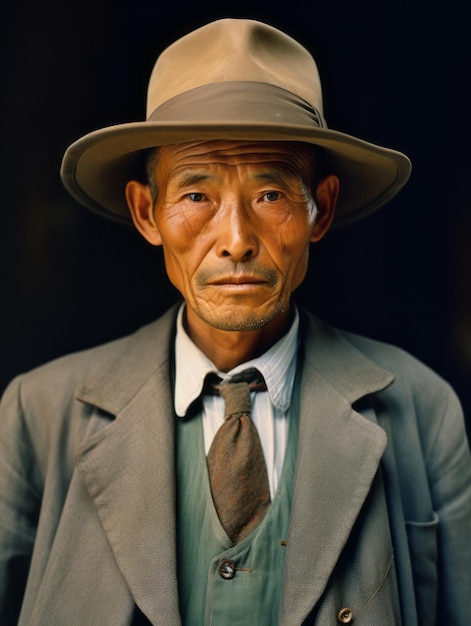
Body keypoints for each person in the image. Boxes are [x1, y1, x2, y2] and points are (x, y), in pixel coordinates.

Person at [0, 17, 470, 626]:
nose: (237, 240)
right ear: (147, 213)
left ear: (319, 210)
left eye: (270, 194)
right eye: (196, 195)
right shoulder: (39, 414)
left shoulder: (423, 411)